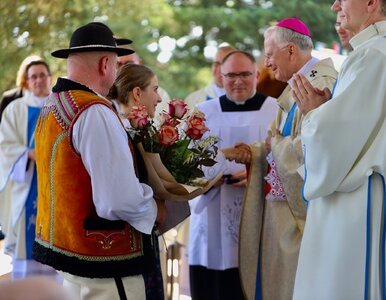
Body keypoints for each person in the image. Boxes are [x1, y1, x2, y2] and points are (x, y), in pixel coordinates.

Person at [32, 22, 166, 300]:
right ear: (106, 64)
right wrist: (154, 210)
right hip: (105, 265)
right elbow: (117, 199)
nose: (117, 72)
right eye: (117, 64)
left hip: (71, 256)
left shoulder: (51, 104)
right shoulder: (94, 111)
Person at [224, 18, 338, 300]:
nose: (267, 64)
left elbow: (320, 148)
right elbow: (278, 141)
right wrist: (256, 152)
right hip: (281, 215)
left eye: (270, 54)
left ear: (290, 50)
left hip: (299, 221)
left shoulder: (321, 84)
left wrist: (272, 147)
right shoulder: (294, 86)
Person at [290, 0, 386, 298]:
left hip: (357, 201)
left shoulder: (374, 54)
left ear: (371, 2)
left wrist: (315, 113)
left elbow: (336, 141)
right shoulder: (370, 52)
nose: (334, 6)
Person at [188, 50, 277, 300]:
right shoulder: (203, 113)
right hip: (213, 213)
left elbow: (287, 158)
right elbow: (188, 166)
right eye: (231, 75)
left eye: (245, 74)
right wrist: (212, 177)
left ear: (257, 75)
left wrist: (258, 175)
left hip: (260, 212)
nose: (238, 81)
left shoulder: (275, 110)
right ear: (220, 75)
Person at [108, 63, 164, 299]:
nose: (159, 98)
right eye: (155, 89)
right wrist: (156, 208)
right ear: (137, 93)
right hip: (129, 241)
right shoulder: (120, 132)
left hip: (143, 233)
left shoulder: (138, 131)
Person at [0, 59, 60, 280]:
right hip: (27, 183)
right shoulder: (16, 109)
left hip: (56, 184)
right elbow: (4, 146)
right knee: (26, 250)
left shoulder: (59, 107)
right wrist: (28, 154)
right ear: (26, 80)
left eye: (42, 75)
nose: (38, 80)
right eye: (33, 76)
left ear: (50, 77)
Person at [184, 45, 236, 110]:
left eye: (226, 64)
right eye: (217, 63)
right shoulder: (192, 100)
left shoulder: (248, 99)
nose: (220, 69)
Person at [0, 55, 42, 123]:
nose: (38, 79)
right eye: (33, 75)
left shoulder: (49, 99)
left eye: (41, 74)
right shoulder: (8, 99)